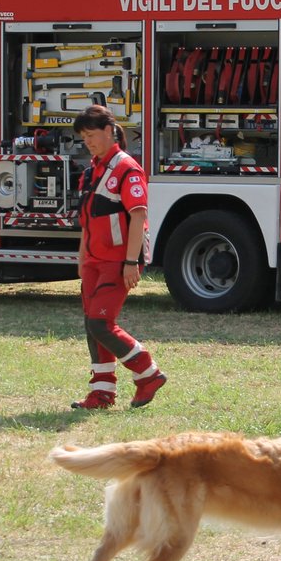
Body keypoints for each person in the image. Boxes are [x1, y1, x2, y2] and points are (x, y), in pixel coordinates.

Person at [70, 104, 167, 410]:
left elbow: (138, 216)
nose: (88, 141)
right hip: (95, 261)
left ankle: (147, 373)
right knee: (91, 324)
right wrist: (82, 258)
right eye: (83, 137)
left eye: (92, 134)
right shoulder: (91, 172)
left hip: (117, 261)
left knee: (101, 324)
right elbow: (88, 220)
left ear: (110, 131)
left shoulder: (127, 168)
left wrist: (130, 262)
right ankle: (102, 393)